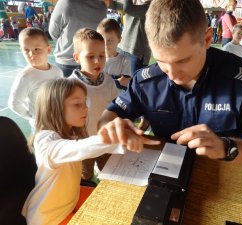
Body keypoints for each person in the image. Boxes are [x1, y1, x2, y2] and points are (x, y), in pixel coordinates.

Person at [98, 0, 242, 168]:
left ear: (206, 39)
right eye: (161, 61)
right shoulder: (146, 81)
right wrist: (113, 127)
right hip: (163, 177)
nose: (171, 75)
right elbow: (109, 116)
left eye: (182, 61)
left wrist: (225, 147)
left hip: (227, 179)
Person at [21, 78, 158, 225]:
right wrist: (118, 136)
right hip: (49, 218)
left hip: (71, 201)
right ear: (54, 107)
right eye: (77, 104)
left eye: (85, 102)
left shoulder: (69, 133)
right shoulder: (44, 141)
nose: (85, 108)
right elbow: (80, 148)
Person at [69, 28, 119, 183]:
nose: (97, 61)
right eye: (91, 57)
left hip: (106, 142)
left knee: (110, 175)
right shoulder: (69, 86)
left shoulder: (110, 82)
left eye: (102, 56)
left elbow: (116, 108)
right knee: (85, 179)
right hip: (83, 145)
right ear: (77, 58)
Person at [8, 28, 63, 129]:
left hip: (58, 120)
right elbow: (14, 103)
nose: (31, 54)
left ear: (48, 49)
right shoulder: (25, 77)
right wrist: (32, 117)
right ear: (21, 50)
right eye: (26, 50)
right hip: (41, 126)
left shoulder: (57, 71)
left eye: (37, 49)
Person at [49, 0, 111, 77]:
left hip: (67, 60)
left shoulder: (65, 3)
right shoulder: (102, 5)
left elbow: (53, 32)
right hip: (93, 61)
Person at [118, 0, 151, 75]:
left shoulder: (151, 6)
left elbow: (128, 8)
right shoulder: (134, 1)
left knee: (134, 85)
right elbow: (115, 5)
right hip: (122, 47)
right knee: (118, 84)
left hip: (136, 53)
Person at [97, 18, 131, 90]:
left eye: (110, 40)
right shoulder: (95, 59)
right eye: (102, 40)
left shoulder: (124, 60)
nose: (106, 44)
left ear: (119, 40)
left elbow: (125, 82)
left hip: (116, 99)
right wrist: (117, 81)